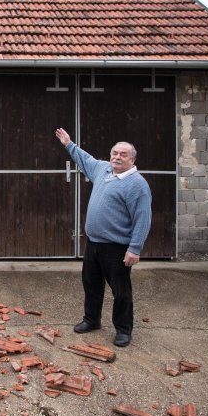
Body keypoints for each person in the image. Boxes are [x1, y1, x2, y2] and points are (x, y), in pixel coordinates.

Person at [54, 128, 152, 347]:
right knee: (91, 284)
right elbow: (85, 159)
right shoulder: (103, 170)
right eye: (114, 153)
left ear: (132, 159)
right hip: (94, 243)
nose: (117, 157)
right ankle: (91, 320)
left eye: (123, 154)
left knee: (121, 290)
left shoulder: (137, 184)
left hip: (116, 247)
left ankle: (124, 330)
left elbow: (143, 218)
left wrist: (135, 248)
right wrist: (69, 144)